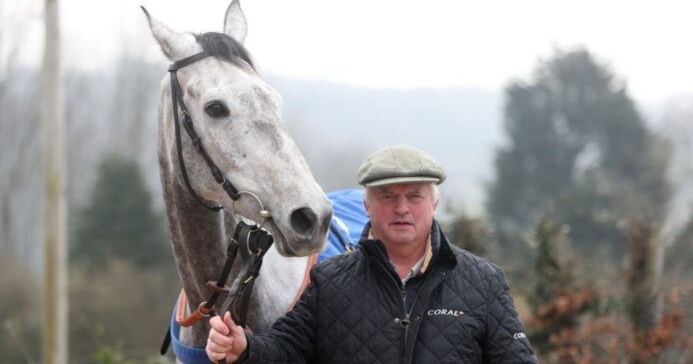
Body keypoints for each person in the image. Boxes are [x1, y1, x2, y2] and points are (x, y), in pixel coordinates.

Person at [206, 145, 537, 363]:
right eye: (388, 197)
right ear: (366, 205)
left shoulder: (484, 282)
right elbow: (284, 350)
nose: (402, 208)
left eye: (415, 196)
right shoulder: (329, 281)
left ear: (434, 204)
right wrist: (243, 348)